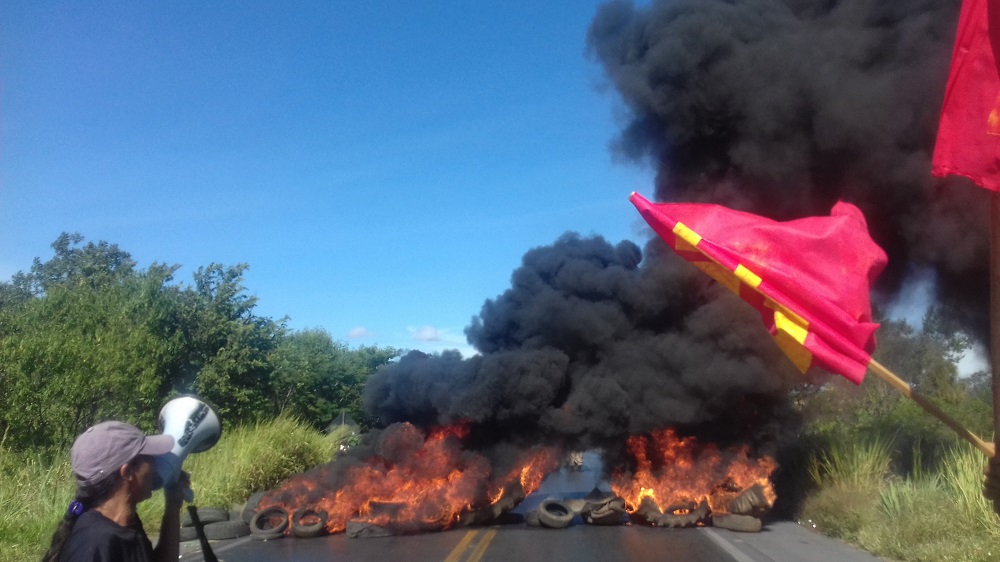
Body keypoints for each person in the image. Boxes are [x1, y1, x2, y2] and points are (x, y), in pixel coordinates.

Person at [42, 421, 190, 562]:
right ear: (128, 472)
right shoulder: (95, 544)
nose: (155, 464)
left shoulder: (126, 522)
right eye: (149, 457)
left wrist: (173, 506)